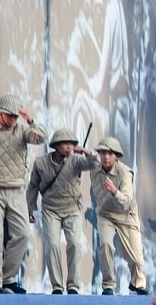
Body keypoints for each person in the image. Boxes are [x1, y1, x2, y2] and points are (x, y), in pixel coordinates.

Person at [26, 129, 99, 294]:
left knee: (74, 244)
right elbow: (33, 186)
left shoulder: (76, 160)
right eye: (65, 143)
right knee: (52, 245)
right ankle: (57, 286)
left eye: (72, 144)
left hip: (72, 208)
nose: (69, 147)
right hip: (51, 209)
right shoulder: (41, 163)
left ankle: (72, 285)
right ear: (56, 146)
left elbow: (95, 162)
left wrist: (85, 151)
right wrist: (30, 208)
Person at [0, 94, 46, 294]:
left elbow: (41, 137)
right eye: (9, 115)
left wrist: (30, 119)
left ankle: (8, 278)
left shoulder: (22, 131)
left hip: (17, 189)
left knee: (22, 234)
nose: (12, 119)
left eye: (15, 116)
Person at [90, 136, 147, 295]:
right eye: (102, 153)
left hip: (126, 214)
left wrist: (115, 191)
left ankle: (137, 283)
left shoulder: (125, 173)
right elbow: (86, 160)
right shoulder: (95, 169)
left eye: (109, 153)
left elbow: (127, 202)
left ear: (116, 156)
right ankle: (108, 285)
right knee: (106, 245)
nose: (106, 157)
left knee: (136, 258)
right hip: (106, 214)